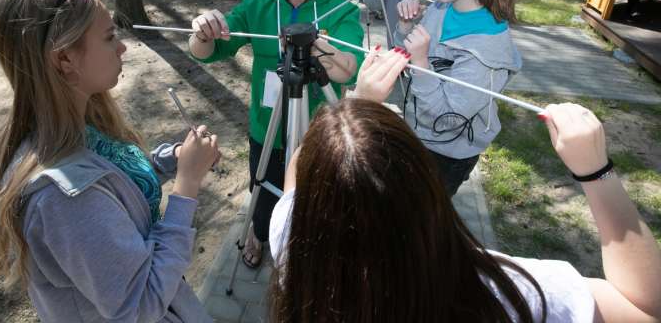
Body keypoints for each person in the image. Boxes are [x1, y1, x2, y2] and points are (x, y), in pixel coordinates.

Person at [268, 81, 661, 321]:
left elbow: (295, 179)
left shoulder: (292, 240)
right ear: (428, 189)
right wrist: (595, 171)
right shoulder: (514, 293)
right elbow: (647, 311)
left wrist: (355, 107)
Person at [0, 0, 220, 322]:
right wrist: (187, 188)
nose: (122, 47)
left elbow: (116, 185)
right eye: (109, 37)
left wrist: (175, 161)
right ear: (65, 60)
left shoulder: (77, 126)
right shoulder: (64, 200)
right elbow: (140, 306)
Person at [189, 0, 365, 269]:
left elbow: (350, 69)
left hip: (320, 133)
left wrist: (313, 44)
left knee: (317, 199)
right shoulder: (259, 7)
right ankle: (259, 233)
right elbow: (206, 51)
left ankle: (306, 249)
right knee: (264, 191)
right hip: (266, 130)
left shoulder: (341, 11)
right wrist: (203, 29)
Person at [393, 0, 521, 196]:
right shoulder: (442, 7)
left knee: (419, 226)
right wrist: (405, 28)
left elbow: (447, 120)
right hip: (417, 135)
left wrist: (422, 64)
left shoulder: (487, 51)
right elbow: (402, 60)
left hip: (447, 155)